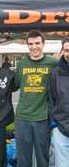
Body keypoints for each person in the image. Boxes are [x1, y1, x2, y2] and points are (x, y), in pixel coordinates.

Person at [14, 30, 57, 167]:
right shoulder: (22, 64)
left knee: (42, 157)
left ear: (43, 44)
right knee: (23, 158)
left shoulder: (53, 63)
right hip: (22, 118)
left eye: (37, 43)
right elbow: (15, 85)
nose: (34, 47)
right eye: (31, 44)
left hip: (42, 118)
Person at [48, 37, 69, 167]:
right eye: (67, 50)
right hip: (61, 129)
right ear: (62, 51)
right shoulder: (55, 73)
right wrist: (54, 124)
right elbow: (51, 99)